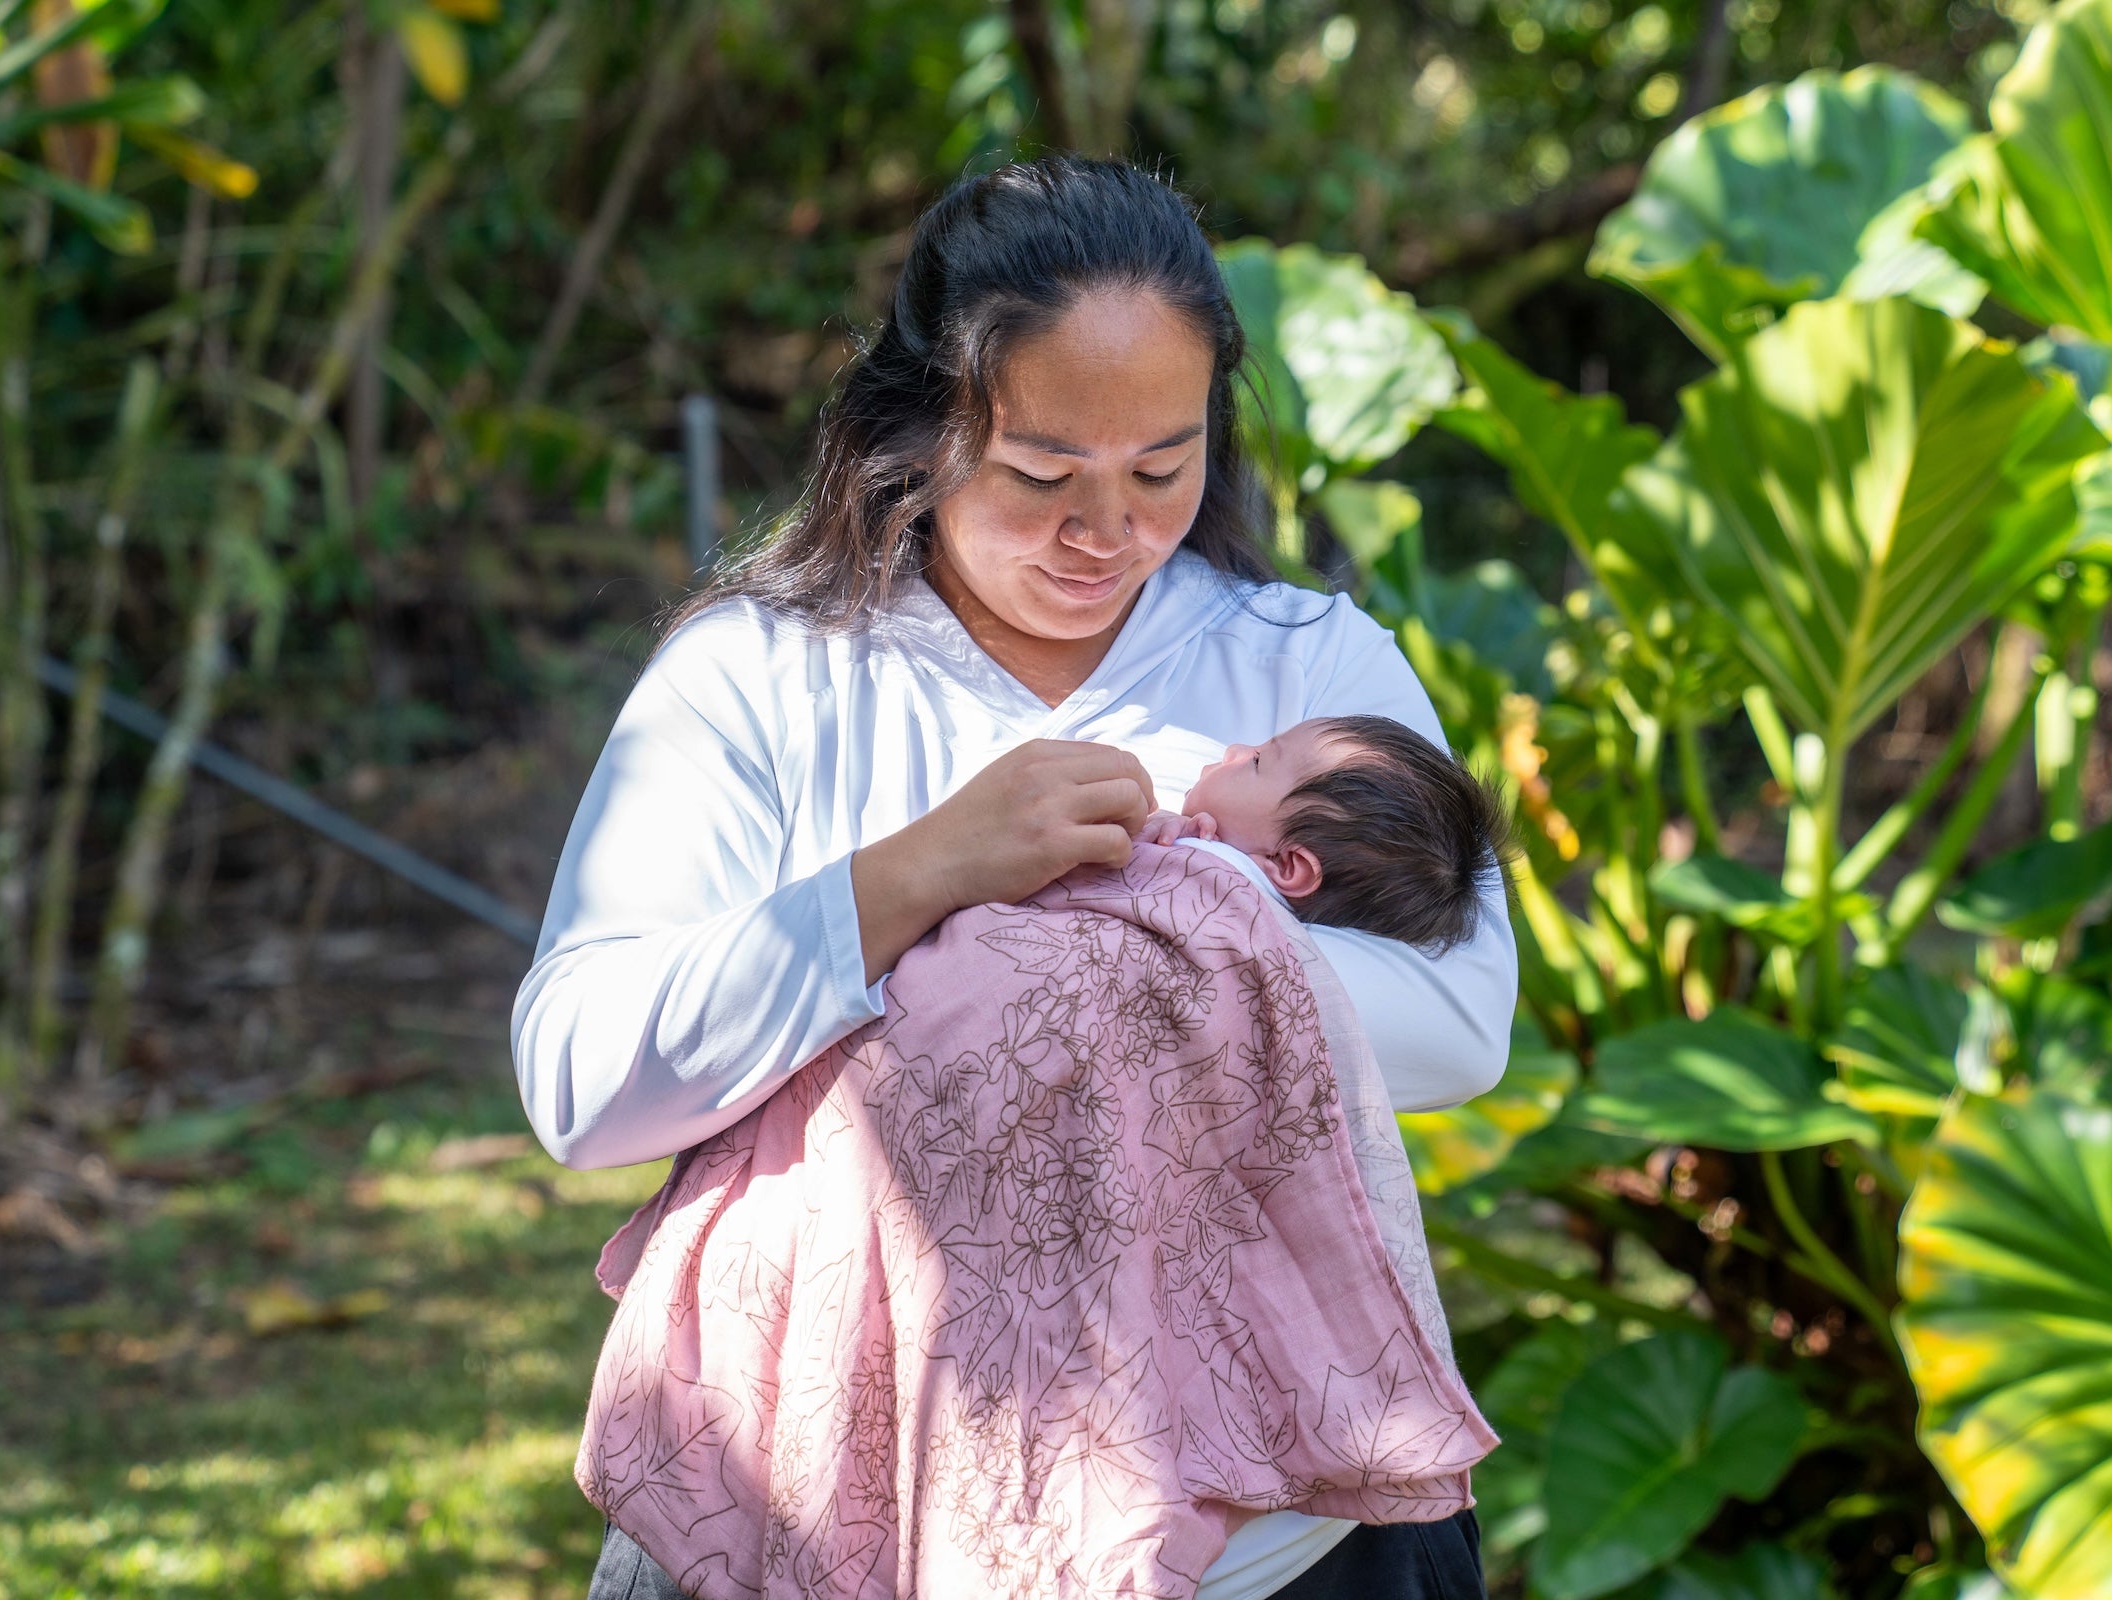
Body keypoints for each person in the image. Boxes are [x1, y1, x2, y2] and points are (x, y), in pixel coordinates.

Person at [516, 154, 1516, 1600]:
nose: (1107, 533)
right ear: (920, 430)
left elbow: (1462, 1018)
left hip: (1283, 1540)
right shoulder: (761, 676)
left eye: (1161, 470)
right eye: (1044, 475)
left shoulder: (1303, 667)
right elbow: (580, 1079)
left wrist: (1124, 941)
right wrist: (918, 874)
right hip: (824, 1509)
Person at [1142, 714, 1507, 953]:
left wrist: (1146, 839)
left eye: (1258, 761)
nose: (1235, 750)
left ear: (1288, 865)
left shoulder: (1221, 892)